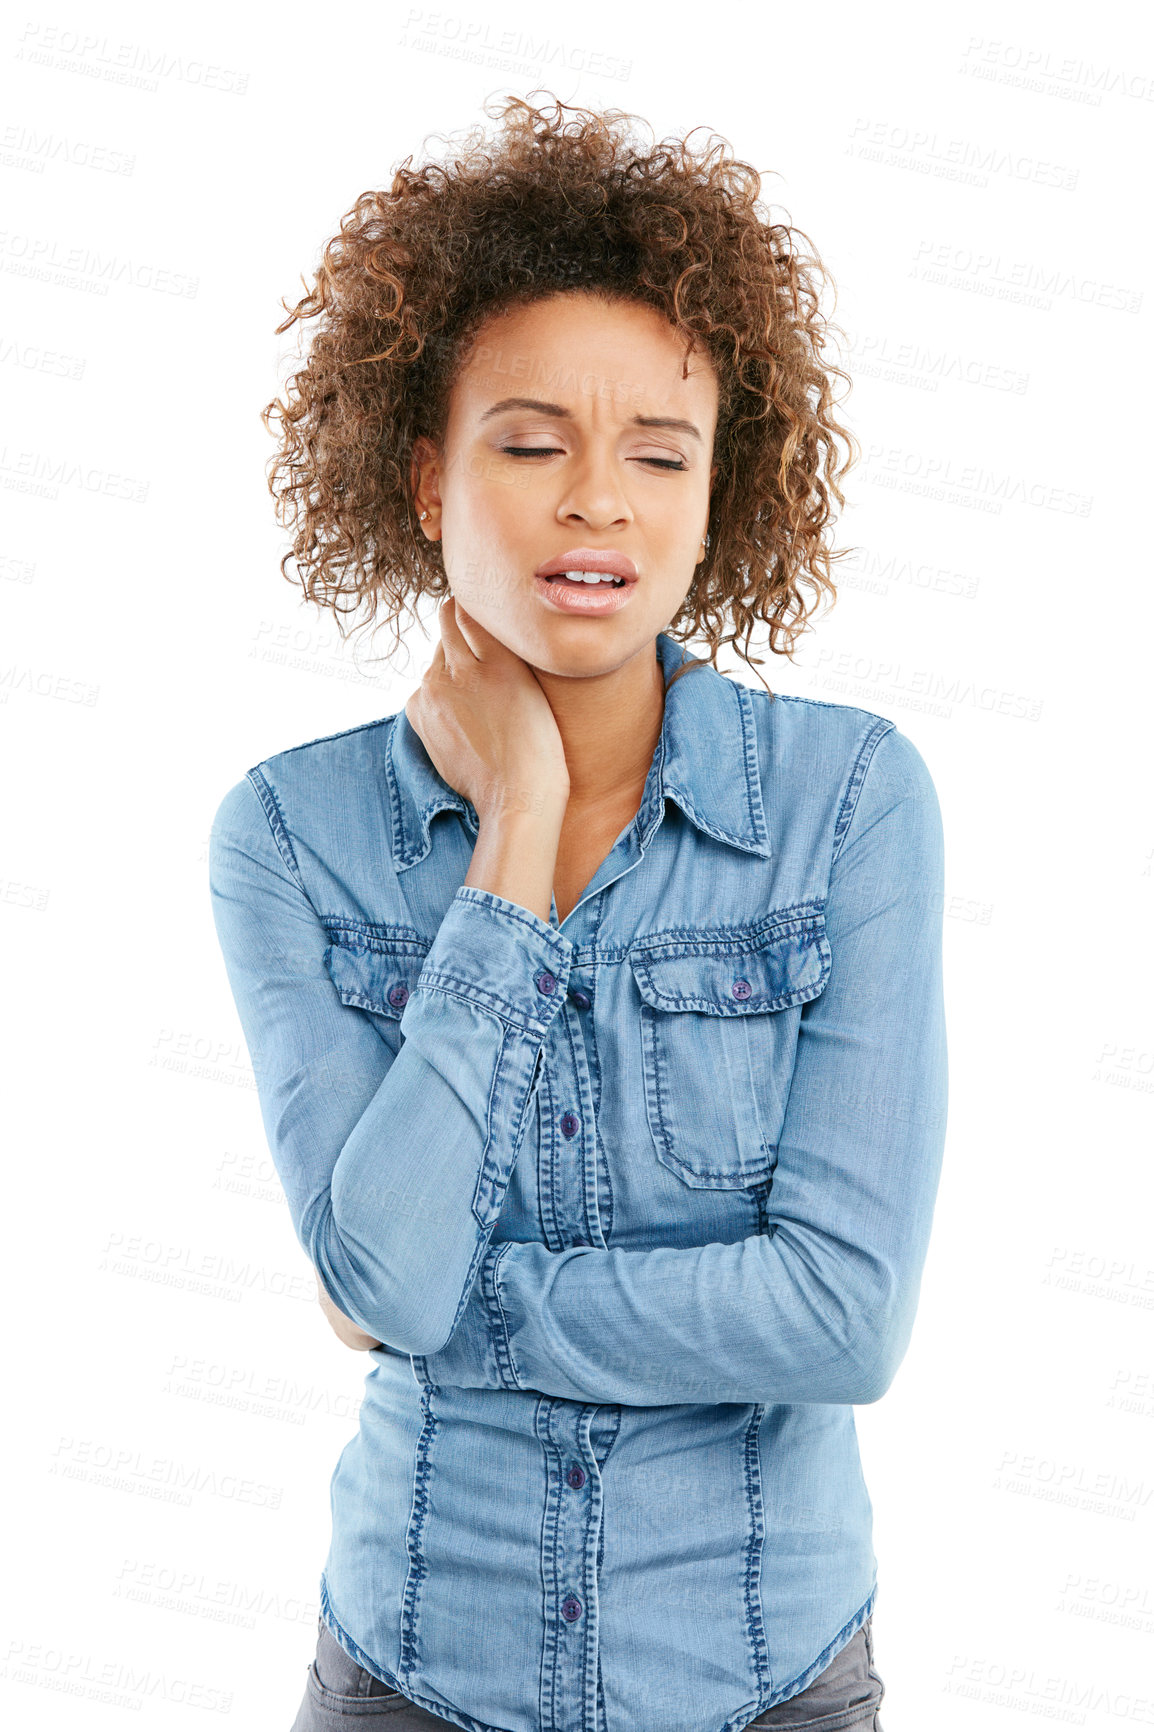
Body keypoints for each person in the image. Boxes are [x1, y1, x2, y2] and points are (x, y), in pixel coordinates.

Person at [208, 92, 947, 1732]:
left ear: (714, 497)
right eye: (530, 443)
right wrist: (517, 839)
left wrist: (475, 1309)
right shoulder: (289, 832)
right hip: (412, 1670)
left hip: (763, 1681)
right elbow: (371, 1283)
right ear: (421, 475)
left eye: (657, 454)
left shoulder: (848, 803)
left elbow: (841, 1317)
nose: (594, 500)